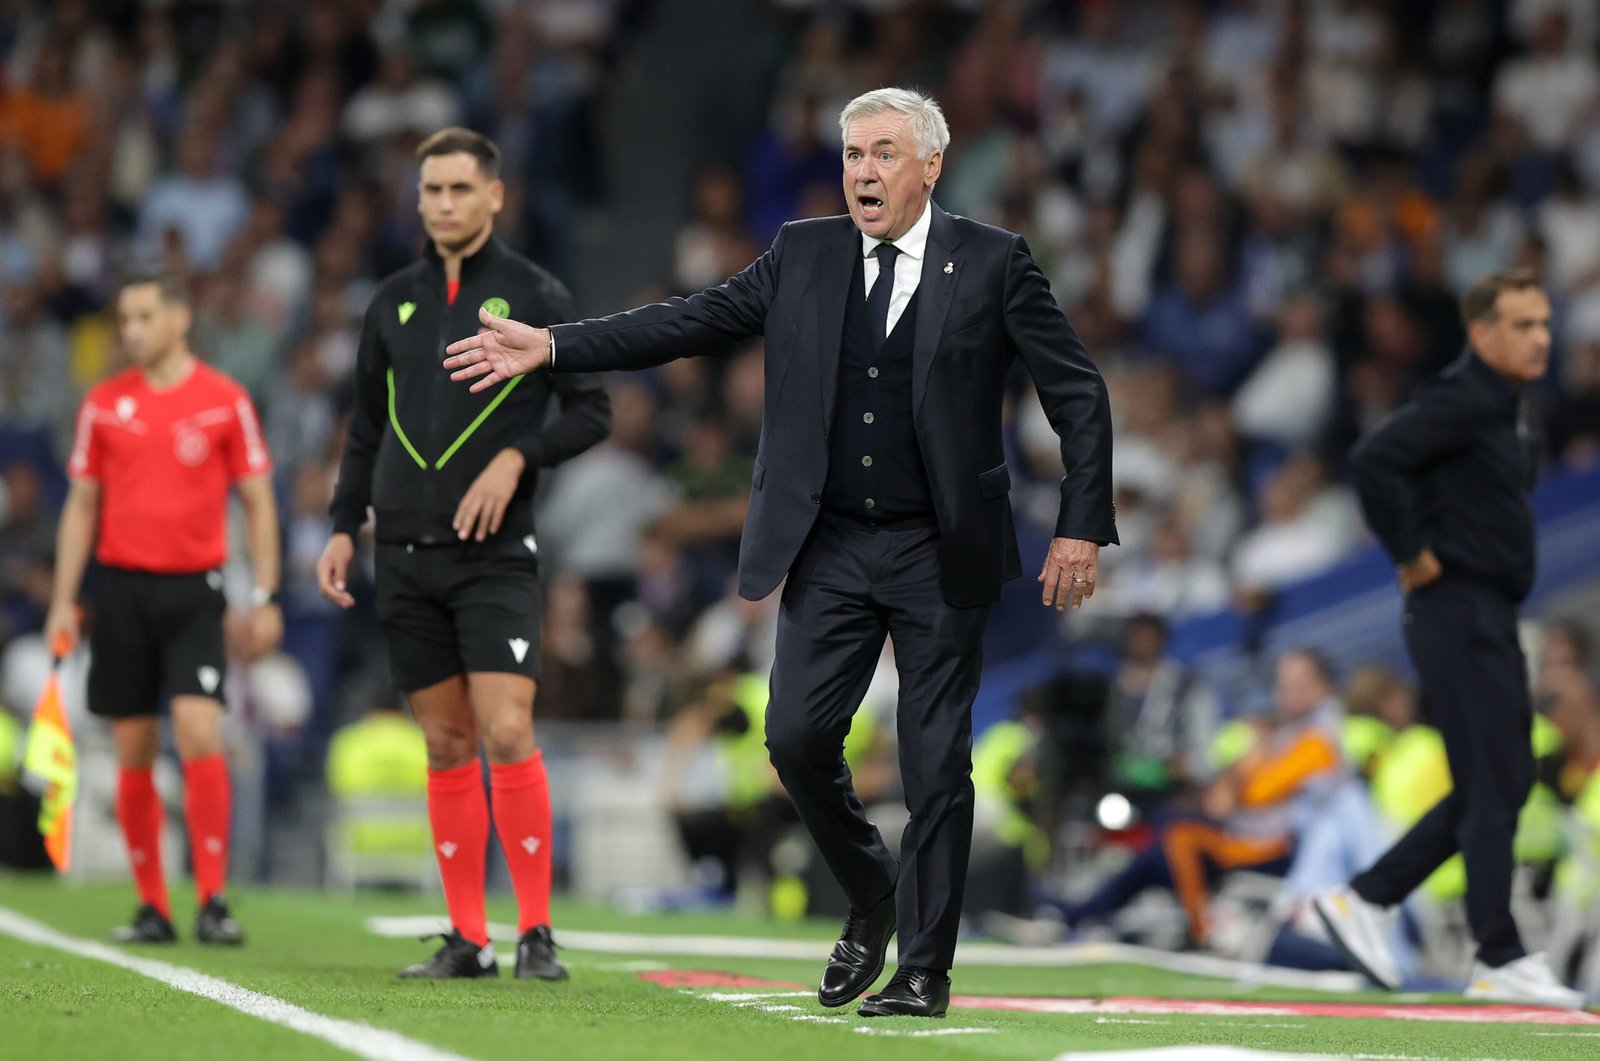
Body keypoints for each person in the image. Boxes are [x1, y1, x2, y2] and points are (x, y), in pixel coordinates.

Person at [444, 88, 1116, 1017]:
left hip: (940, 547)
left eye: (883, 153)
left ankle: (923, 969)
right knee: (795, 738)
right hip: (830, 542)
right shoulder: (803, 252)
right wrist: (556, 345)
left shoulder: (995, 261)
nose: (863, 172)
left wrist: (1081, 521)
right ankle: (871, 890)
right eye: (851, 155)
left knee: (934, 764)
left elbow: (1076, 391)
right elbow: (687, 322)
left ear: (930, 165)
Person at [317, 128, 610, 981]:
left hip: (494, 557)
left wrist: (520, 457)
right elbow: (367, 428)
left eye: (458, 188)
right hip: (403, 555)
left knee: (507, 727)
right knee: (445, 744)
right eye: (431, 190)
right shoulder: (391, 302)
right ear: (418, 201)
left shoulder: (534, 293)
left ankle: (537, 932)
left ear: (495, 196)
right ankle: (467, 937)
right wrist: (344, 523)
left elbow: (594, 412)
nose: (443, 202)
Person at [1313, 268, 1586, 1009]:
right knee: (1498, 779)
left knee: (1498, 779)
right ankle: (1496, 950)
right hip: (1455, 604)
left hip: (1486, 608)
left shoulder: (1505, 407)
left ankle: (1369, 897)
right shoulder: (1463, 398)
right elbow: (1374, 459)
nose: (1541, 337)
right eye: (1524, 325)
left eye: (1544, 323)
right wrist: (1410, 552)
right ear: (1481, 332)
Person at [45, 272, 281, 945]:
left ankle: (212, 898)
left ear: (180, 319)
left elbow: (259, 501)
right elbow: (81, 505)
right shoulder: (103, 404)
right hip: (120, 590)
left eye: (144, 316)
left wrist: (264, 594)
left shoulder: (224, 401)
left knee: (201, 729)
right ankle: (153, 904)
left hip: (193, 591)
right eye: (125, 318)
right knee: (133, 747)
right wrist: (65, 599)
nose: (131, 331)